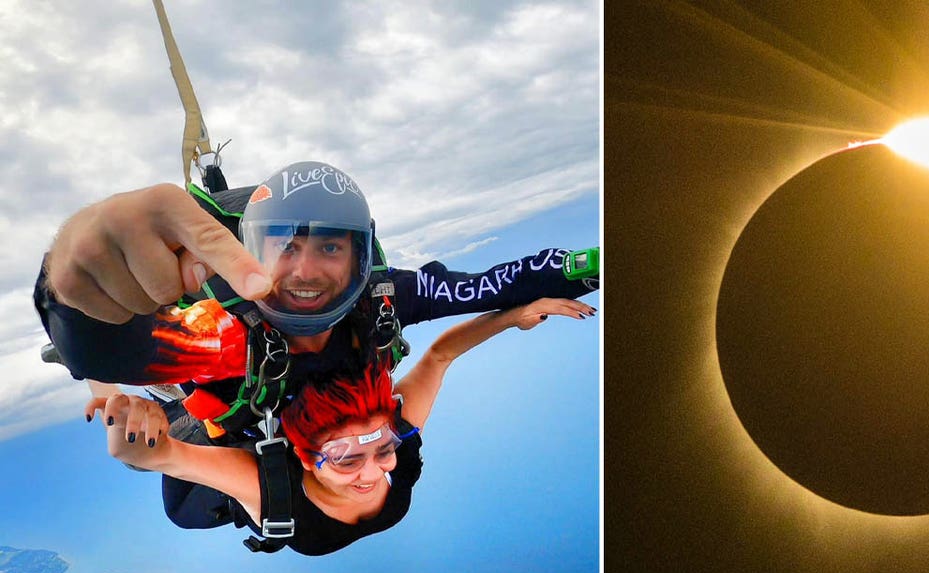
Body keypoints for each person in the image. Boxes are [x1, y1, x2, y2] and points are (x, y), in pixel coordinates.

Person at [37, 160, 598, 441]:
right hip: (231, 405)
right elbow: (111, 349)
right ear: (249, 250)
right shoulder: (226, 341)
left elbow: (495, 284)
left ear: (360, 258)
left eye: (329, 245)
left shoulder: (385, 299)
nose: (305, 271)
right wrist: (65, 287)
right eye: (285, 245)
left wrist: (592, 269)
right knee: (185, 492)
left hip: (299, 413)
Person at [88, 297, 591, 556]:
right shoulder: (388, 469)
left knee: (172, 409)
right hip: (274, 445)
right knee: (228, 397)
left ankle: (147, 372)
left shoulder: (268, 490)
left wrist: (125, 414)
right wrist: (516, 315)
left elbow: (156, 456)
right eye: (359, 456)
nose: (373, 472)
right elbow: (440, 355)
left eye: (370, 453)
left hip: (196, 500)